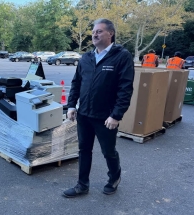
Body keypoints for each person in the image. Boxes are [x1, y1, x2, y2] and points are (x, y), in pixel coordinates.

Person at [64, 18, 134, 197]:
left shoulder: (121, 56)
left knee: (108, 151)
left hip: (106, 117)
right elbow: (76, 83)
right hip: (84, 114)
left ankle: (114, 178)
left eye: (99, 31)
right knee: (84, 150)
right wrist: (71, 105)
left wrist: (116, 115)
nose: (94, 34)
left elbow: (125, 88)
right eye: (94, 31)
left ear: (110, 34)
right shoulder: (86, 57)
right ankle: (82, 185)